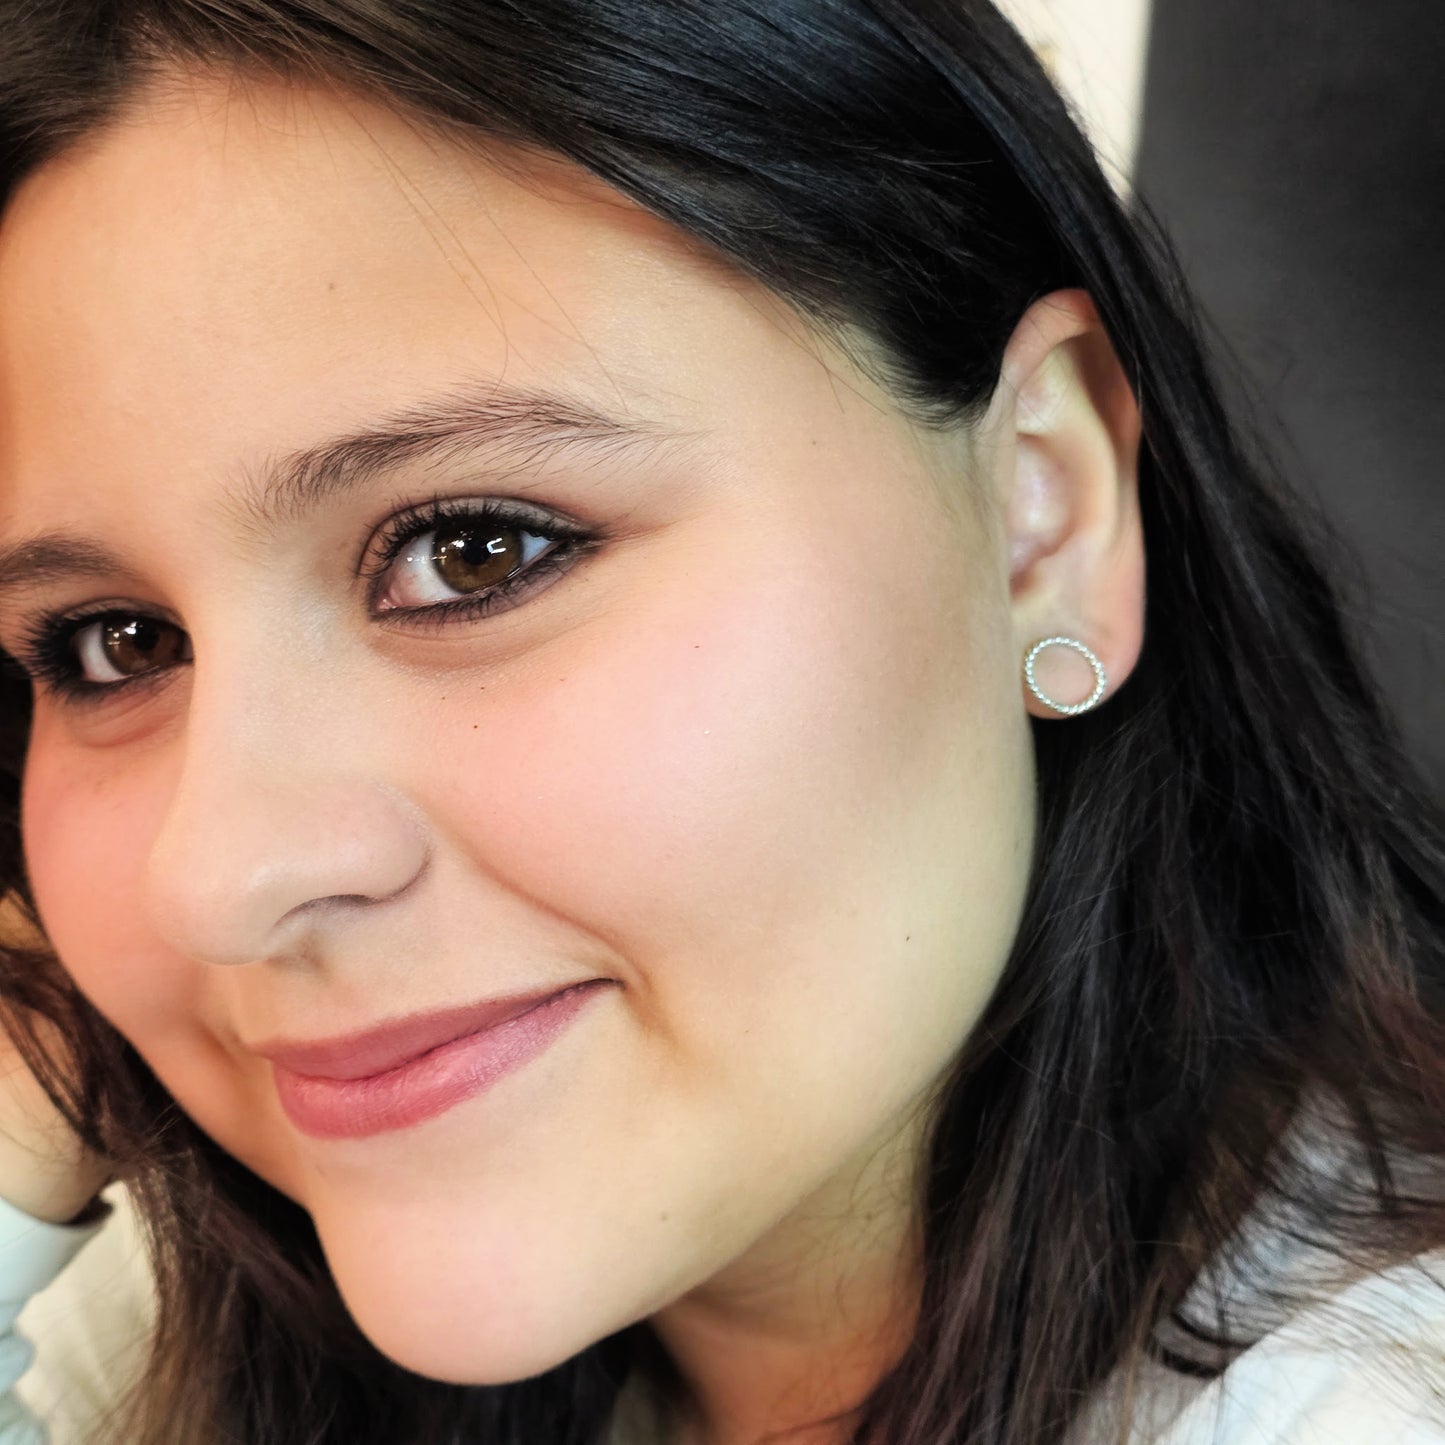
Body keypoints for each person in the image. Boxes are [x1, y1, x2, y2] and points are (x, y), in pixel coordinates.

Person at [0, 2, 1441, 1443]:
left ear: (1037, 511)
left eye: (475, 551)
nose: (218, 880)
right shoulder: (164, 1335)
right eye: (114, 647)